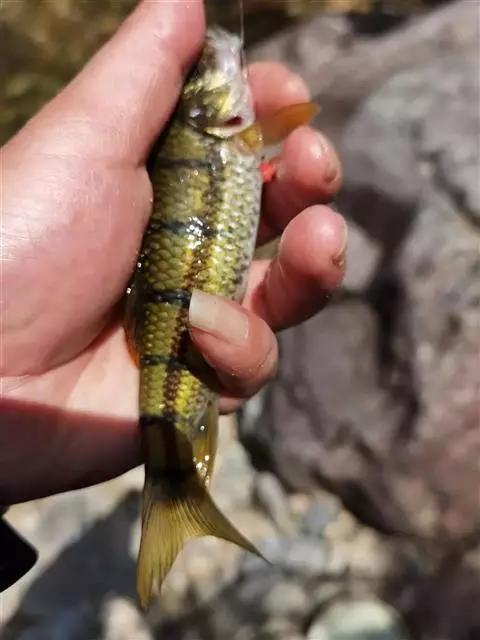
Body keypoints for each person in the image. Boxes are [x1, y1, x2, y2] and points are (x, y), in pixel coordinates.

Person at [0, 0, 346, 589]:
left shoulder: (232, 132)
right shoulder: (236, 132)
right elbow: (294, 117)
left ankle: (176, 483)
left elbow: (289, 118)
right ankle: (176, 490)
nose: (222, 59)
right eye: (208, 70)